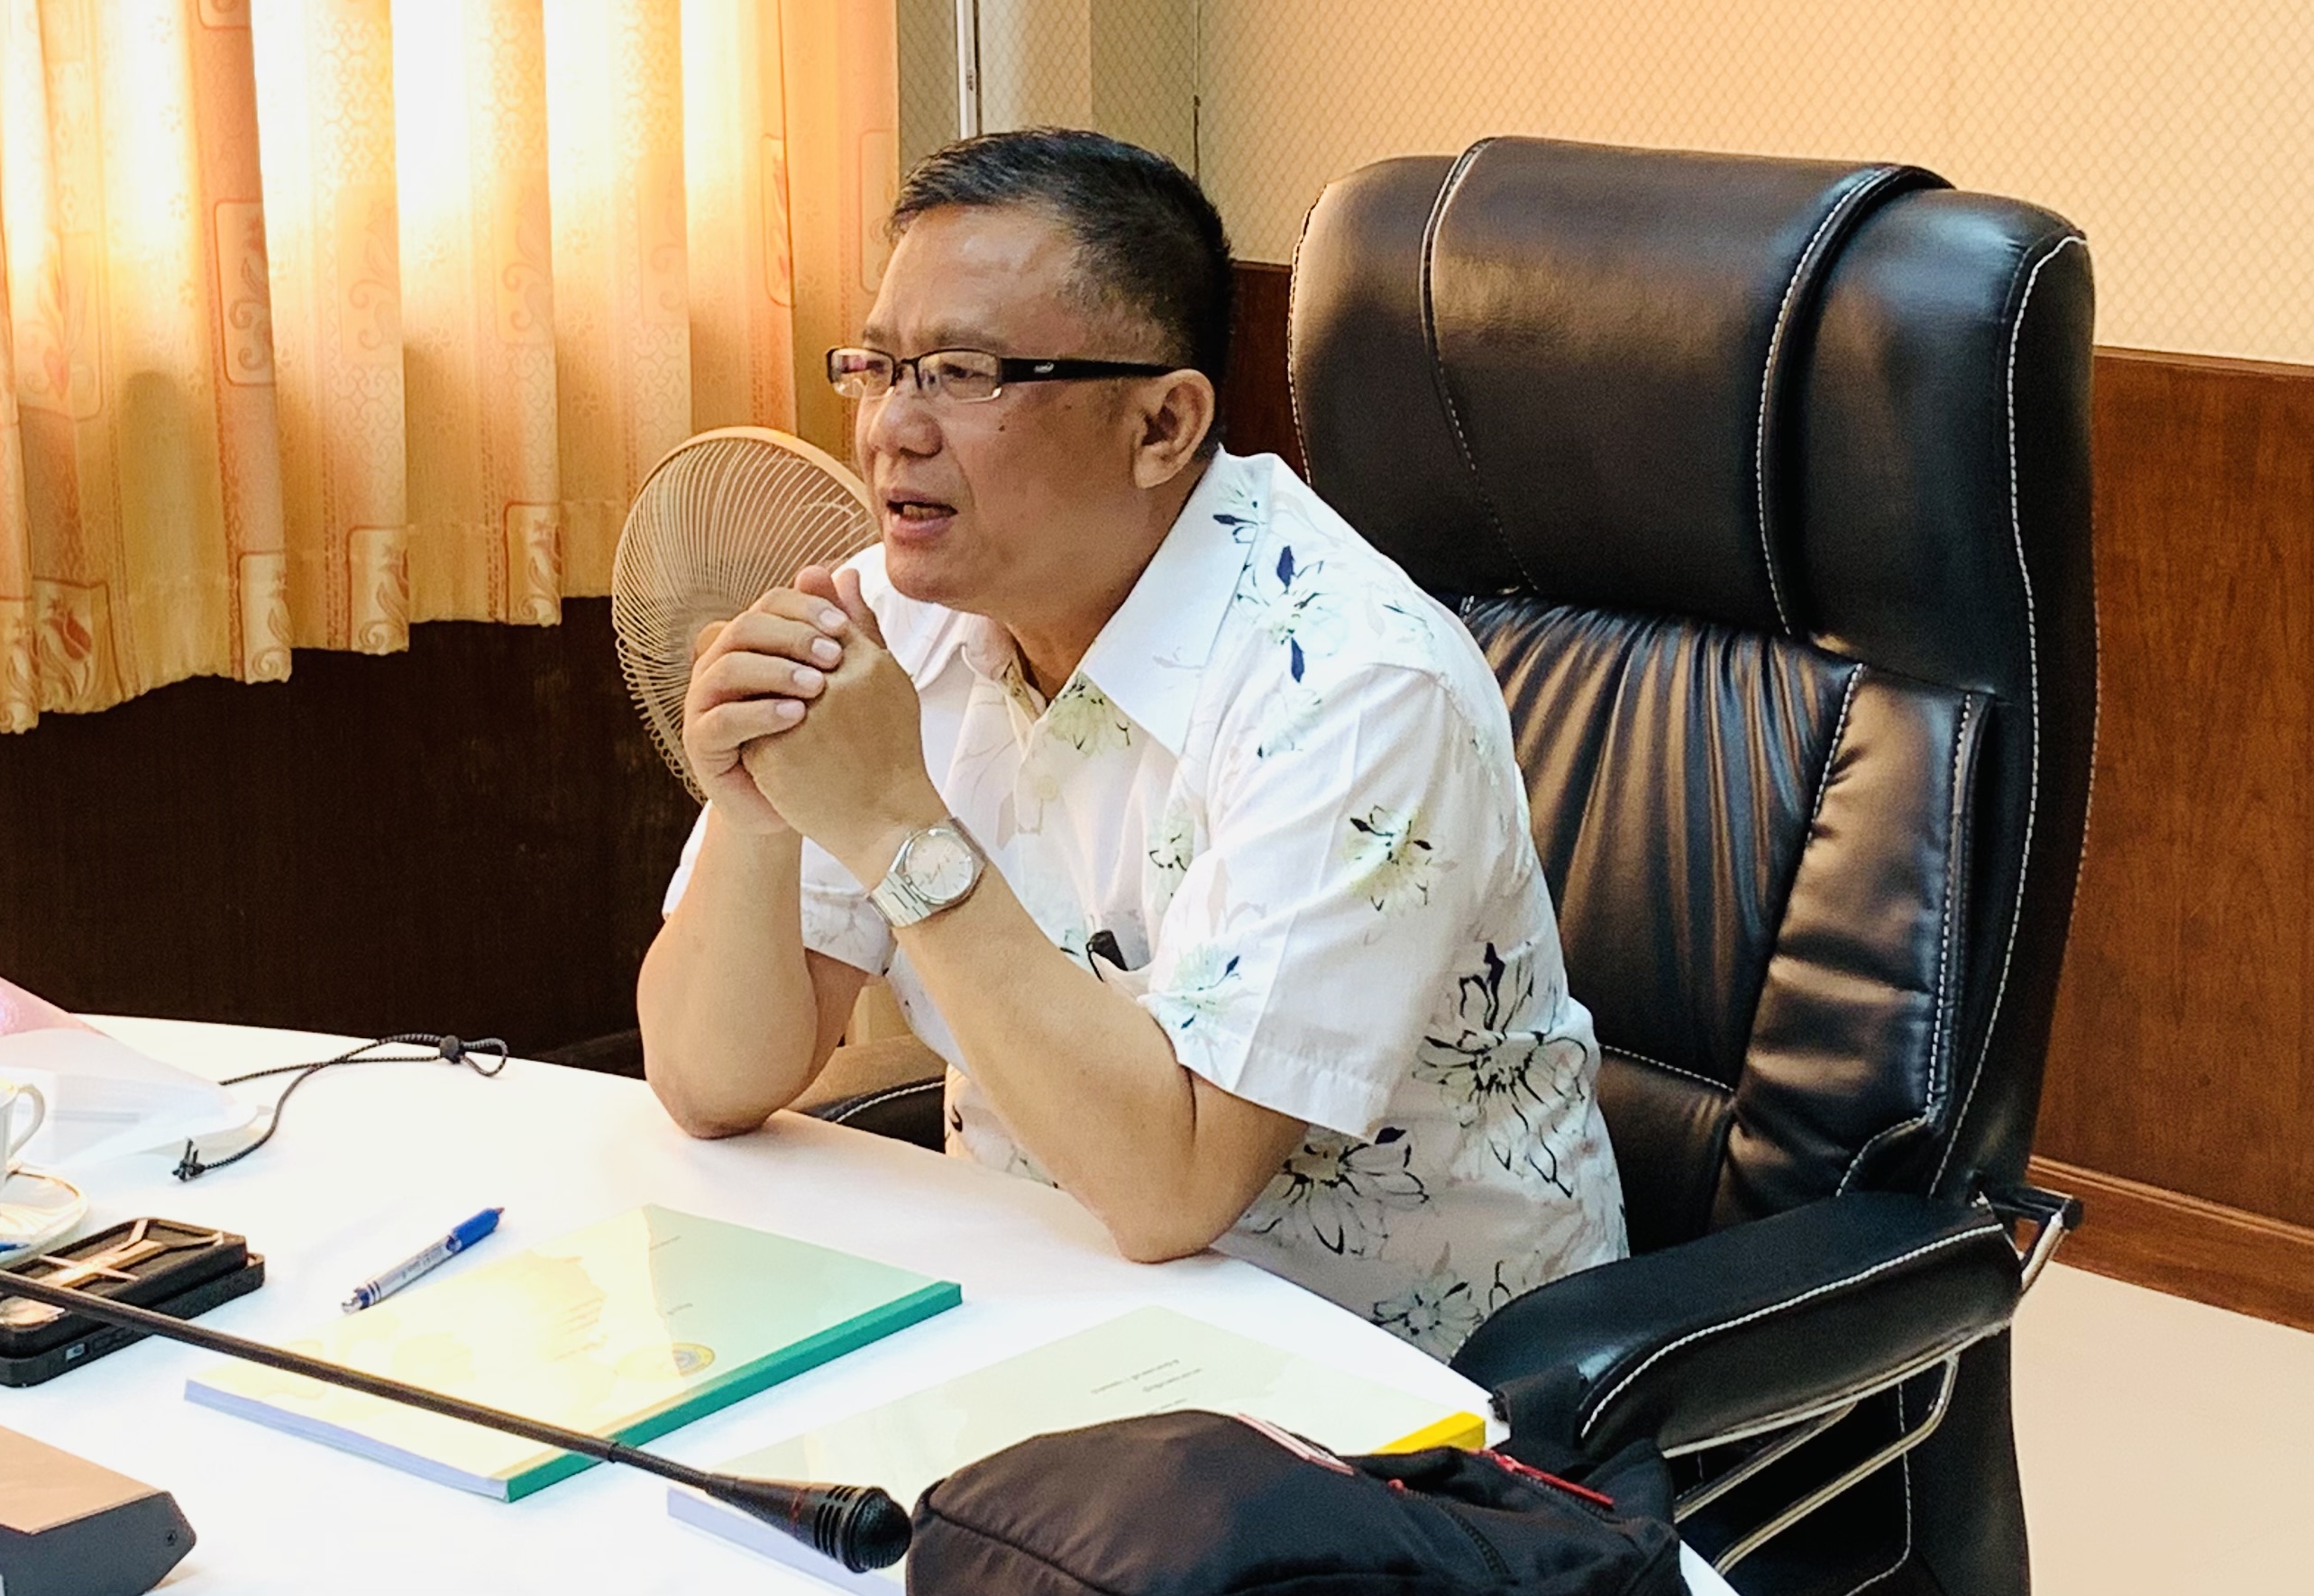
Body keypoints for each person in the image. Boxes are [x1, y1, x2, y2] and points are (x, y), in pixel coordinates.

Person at [639, 129, 1624, 1355]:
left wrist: (898, 828)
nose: (893, 428)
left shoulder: (1355, 685)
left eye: (964, 374)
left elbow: (1176, 1187)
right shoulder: (897, 614)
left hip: (1401, 1390)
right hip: (1045, 1314)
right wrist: (759, 812)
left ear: (1162, 424)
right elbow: (708, 1080)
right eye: (879, 368)